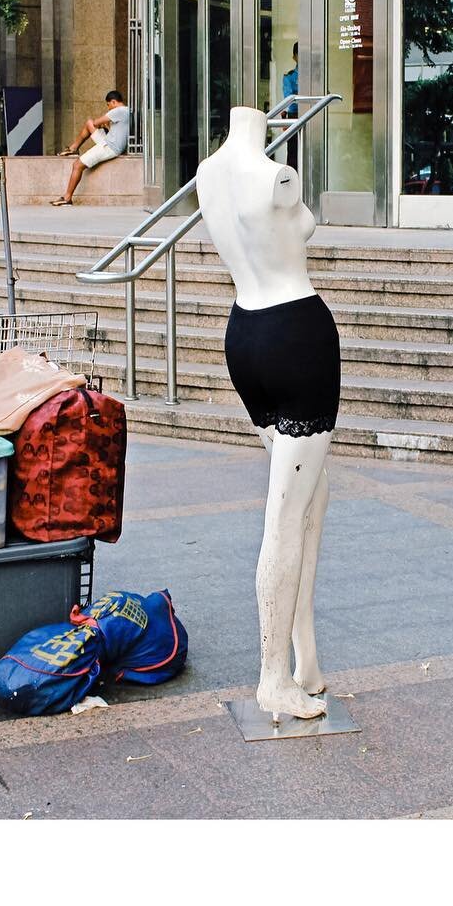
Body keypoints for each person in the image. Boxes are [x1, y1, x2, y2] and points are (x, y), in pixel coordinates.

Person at [196, 106, 340, 722]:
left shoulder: (208, 172)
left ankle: (304, 655)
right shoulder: (278, 176)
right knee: (285, 515)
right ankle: (272, 677)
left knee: (309, 501)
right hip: (296, 336)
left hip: (244, 336)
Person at [52, 90, 130, 206]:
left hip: (110, 146)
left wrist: (105, 123)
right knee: (88, 123)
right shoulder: (127, 111)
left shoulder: (119, 110)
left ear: (113, 102)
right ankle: (73, 149)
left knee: (77, 165)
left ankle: (67, 198)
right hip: (112, 142)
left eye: (108, 105)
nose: (108, 109)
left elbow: (97, 122)